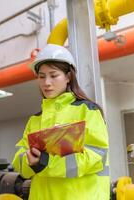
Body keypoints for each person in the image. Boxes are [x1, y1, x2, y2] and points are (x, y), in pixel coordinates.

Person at [12, 44, 110, 200]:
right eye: (41, 76)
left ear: (68, 77)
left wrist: (46, 163)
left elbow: (96, 157)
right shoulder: (34, 120)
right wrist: (29, 161)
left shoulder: (87, 111)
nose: (46, 83)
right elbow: (19, 161)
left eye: (53, 75)